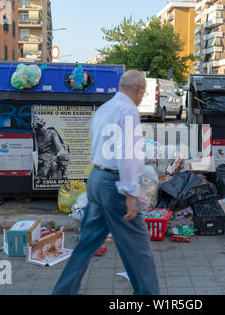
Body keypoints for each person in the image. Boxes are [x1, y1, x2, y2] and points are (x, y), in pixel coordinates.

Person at [52, 70, 159, 295]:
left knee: (86, 244)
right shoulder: (128, 111)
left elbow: (98, 141)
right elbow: (128, 155)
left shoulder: (105, 108)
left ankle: (63, 291)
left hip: (97, 179)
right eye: (143, 92)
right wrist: (131, 194)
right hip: (115, 185)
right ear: (139, 91)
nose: (142, 97)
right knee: (138, 250)